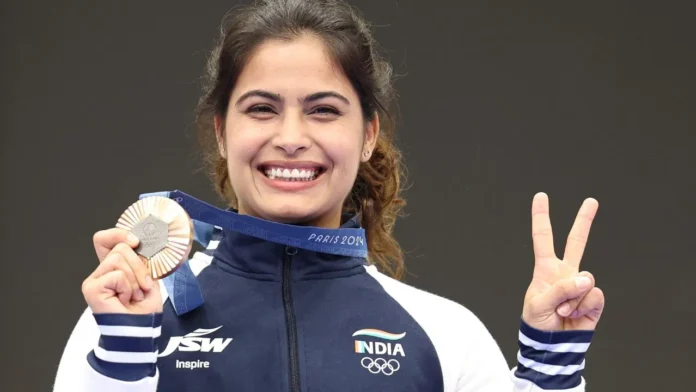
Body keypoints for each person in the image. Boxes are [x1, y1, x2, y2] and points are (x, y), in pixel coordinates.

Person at [53, 0, 605, 391]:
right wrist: (123, 357)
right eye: (262, 108)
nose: (291, 138)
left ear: (367, 135)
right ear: (223, 133)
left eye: (323, 110)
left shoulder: (444, 334)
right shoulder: (130, 316)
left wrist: (549, 369)